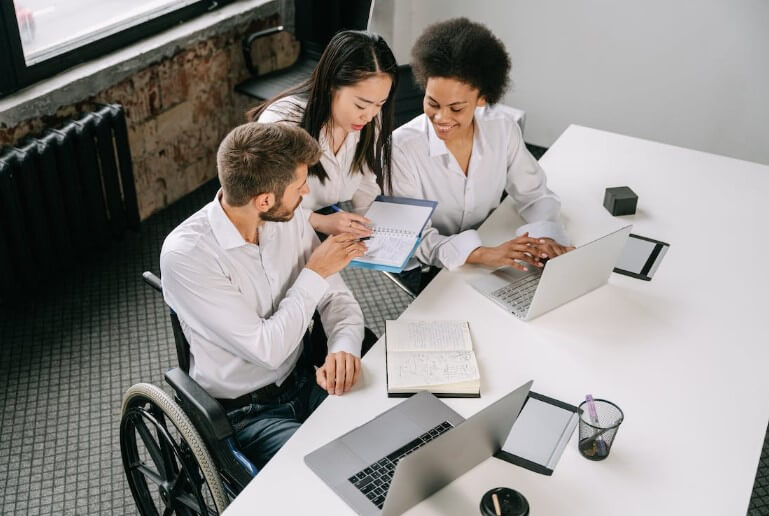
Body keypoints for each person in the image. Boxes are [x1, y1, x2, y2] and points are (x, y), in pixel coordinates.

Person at [160, 122, 368, 469]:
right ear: (265, 200)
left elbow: (336, 299)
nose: (305, 193)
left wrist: (342, 348)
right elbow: (267, 351)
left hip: (306, 378)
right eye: (299, 185)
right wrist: (314, 272)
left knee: (376, 442)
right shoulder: (187, 255)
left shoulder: (290, 218)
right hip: (245, 413)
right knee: (327, 475)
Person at [391, 18, 574, 294]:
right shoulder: (402, 149)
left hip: (494, 246)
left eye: (456, 108)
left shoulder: (502, 129)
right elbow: (413, 238)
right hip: (435, 266)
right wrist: (480, 254)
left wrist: (545, 236)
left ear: (482, 99)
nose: (441, 118)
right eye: (432, 103)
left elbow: (535, 194)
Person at [247, 30, 398, 239]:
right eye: (361, 104)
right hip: (273, 230)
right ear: (330, 85)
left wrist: (372, 229)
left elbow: (366, 185)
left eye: (380, 104)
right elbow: (260, 206)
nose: (370, 115)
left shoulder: (371, 120)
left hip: (324, 224)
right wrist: (319, 222)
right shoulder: (282, 125)